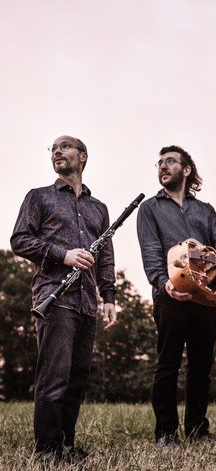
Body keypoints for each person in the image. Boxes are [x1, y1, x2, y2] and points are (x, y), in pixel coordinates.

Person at [10, 135, 117, 463]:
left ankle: (66, 445)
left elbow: (106, 256)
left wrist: (109, 295)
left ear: (82, 156)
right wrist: (63, 254)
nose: (57, 151)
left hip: (87, 303)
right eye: (53, 148)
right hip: (54, 299)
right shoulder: (39, 198)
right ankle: (46, 450)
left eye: (65, 146)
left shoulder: (99, 208)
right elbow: (19, 240)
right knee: (54, 377)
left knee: (77, 378)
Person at [137, 145, 216, 448]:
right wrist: (162, 283)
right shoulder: (149, 208)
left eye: (170, 162)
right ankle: (166, 433)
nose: (162, 167)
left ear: (186, 170)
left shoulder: (205, 210)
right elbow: (150, 251)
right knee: (167, 364)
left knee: (201, 367)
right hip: (170, 295)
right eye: (159, 163)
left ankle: (198, 429)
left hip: (207, 295)